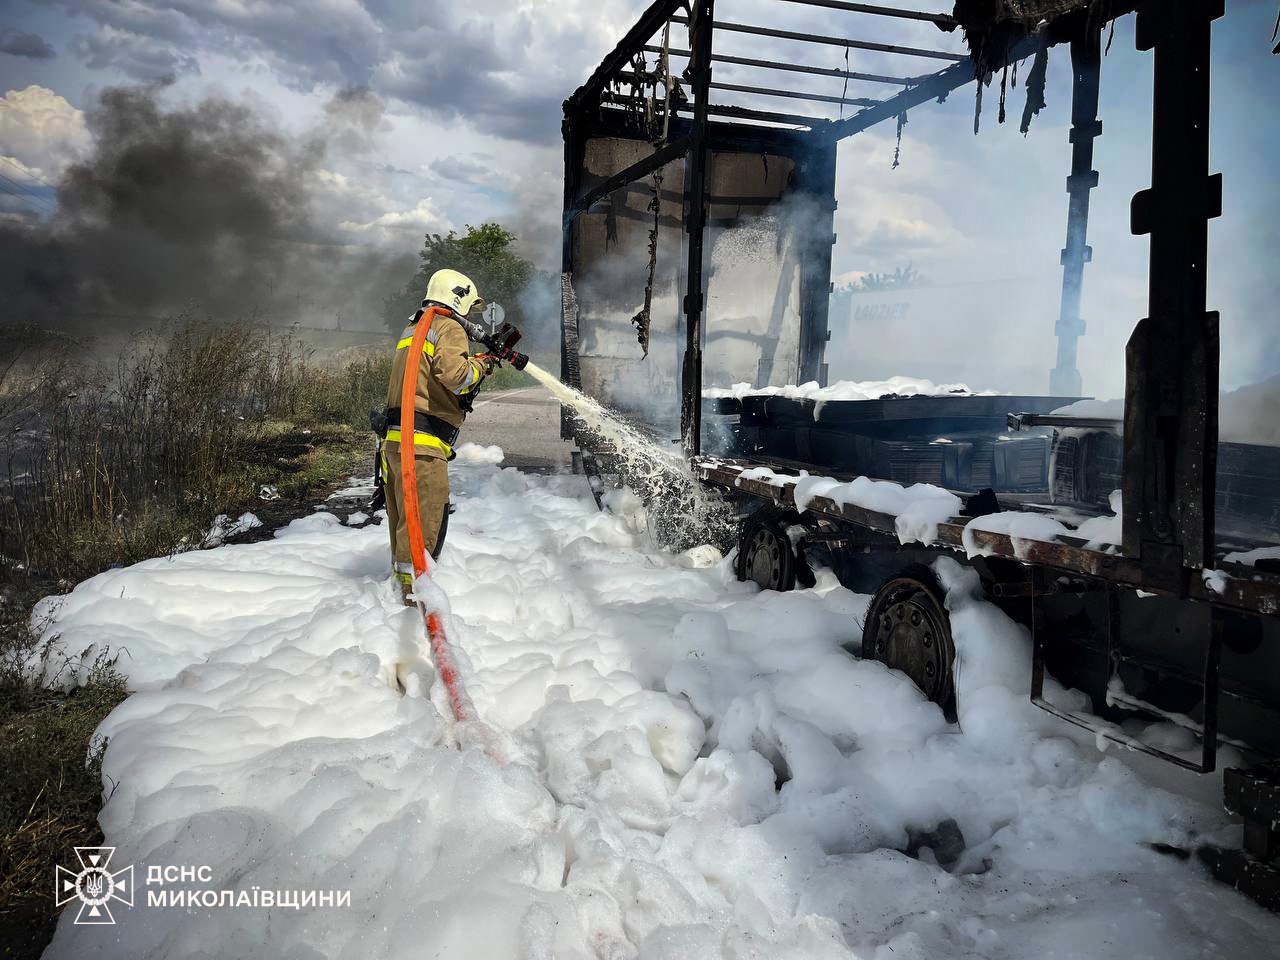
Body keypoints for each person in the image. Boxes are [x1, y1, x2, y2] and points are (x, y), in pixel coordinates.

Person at [380, 268, 492, 602]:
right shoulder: (448, 326)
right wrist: (483, 364)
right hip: (423, 447)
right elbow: (456, 376)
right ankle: (417, 600)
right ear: (458, 299)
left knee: (404, 523)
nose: (470, 316)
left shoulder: (414, 326)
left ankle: (401, 592)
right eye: (470, 308)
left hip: (396, 445)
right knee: (424, 527)